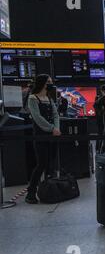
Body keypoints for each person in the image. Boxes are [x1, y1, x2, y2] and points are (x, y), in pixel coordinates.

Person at [26, 74, 61, 204]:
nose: (51, 84)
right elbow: (37, 117)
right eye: (49, 82)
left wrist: (56, 128)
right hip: (41, 135)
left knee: (51, 164)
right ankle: (31, 192)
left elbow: (56, 114)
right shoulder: (32, 98)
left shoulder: (49, 98)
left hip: (53, 135)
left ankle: (49, 190)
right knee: (41, 164)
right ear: (42, 83)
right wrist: (52, 128)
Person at [93, 85, 105, 153]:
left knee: (104, 134)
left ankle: (103, 149)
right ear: (102, 91)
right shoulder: (98, 98)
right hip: (100, 119)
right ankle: (98, 148)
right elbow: (96, 106)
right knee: (100, 134)